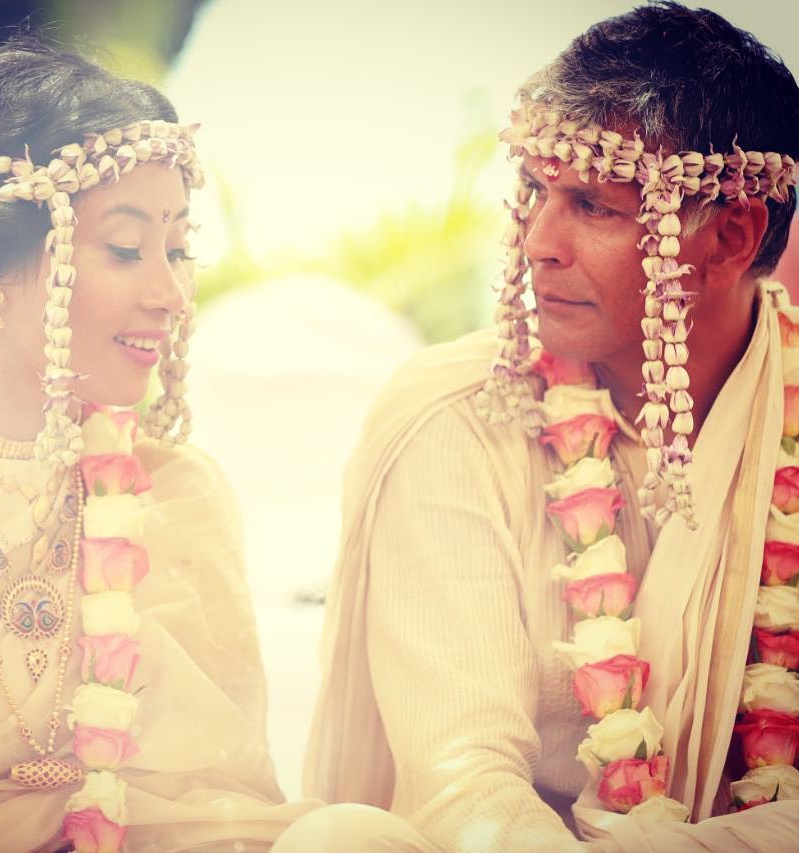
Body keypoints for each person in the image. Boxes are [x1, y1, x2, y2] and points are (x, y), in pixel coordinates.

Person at [303, 3, 799, 851]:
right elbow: (463, 782)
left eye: (592, 205)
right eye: (532, 191)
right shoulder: (454, 418)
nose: (536, 240)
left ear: (727, 238)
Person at [0, 38, 318, 852]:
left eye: (178, 248)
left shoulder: (177, 492)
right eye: (126, 248)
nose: (171, 294)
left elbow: (221, 802)